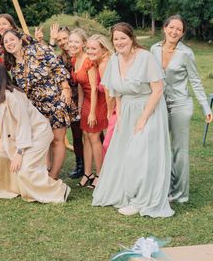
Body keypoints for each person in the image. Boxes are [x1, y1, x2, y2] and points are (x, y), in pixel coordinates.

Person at [92, 23, 174, 218]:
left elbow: (158, 90)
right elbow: (117, 92)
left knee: (141, 153)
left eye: (123, 38)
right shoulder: (113, 61)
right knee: (125, 152)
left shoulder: (145, 57)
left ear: (131, 38)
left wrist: (143, 118)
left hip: (149, 108)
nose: (119, 42)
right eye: (116, 39)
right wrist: (119, 116)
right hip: (126, 110)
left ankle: (142, 199)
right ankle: (128, 192)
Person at [0, 61, 70, 203]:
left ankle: (59, 191)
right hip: (17, 136)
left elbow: (24, 124)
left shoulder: (13, 96)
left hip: (37, 134)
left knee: (25, 170)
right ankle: (5, 189)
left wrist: (20, 153)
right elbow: (4, 121)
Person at [150, 15, 213, 203]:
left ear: (182, 33)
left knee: (179, 149)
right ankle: (165, 188)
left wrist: (205, 107)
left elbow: (195, 80)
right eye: (171, 27)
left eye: (179, 29)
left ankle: (180, 194)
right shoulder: (153, 49)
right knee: (160, 146)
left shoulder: (186, 53)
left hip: (180, 105)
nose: (174, 31)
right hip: (159, 104)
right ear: (164, 28)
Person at [2, 29, 72, 179]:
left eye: (12, 39)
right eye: (6, 41)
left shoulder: (37, 49)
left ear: (20, 40)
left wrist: (66, 88)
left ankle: (53, 176)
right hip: (35, 107)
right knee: (44, 139)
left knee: (57, 140)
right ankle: (45, 171)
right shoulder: (13, 66)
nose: (9, 43)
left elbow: (58, 67)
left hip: (55, 101)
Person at [68, 29, 107, 188]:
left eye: (76, 42)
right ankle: (87, 173)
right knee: (85, 136)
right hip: (86, 102)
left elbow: (93, 87)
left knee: (94, 138)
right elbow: (80, 87)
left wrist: (91, 112)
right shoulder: (73, 60)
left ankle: (100, 174)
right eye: (70, 41)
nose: (72, 44)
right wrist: (79, 106)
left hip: (97, 101)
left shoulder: (88, 62)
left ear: (83, 44)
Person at [47, 24, 83, 179]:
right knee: (76, 134)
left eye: (65, 38)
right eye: (59, 40)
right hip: (70, 100)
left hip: (84, 95)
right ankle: (80, 164)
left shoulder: (81, 54)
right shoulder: (60, 58)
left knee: (91, 134)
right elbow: (47, 61)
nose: (62, 42)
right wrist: (51, 41)